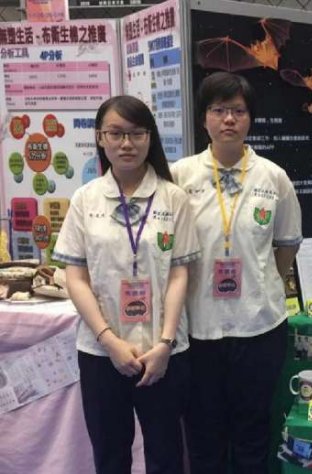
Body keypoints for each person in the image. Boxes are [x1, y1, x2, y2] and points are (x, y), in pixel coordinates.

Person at [53, 95, 200, 473]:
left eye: (136, 133)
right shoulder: (85, 199)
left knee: (166, 456)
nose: (126, 143)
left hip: (163, 353)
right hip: (101, 353)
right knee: (110, 455)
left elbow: (179, 274)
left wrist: (165, 343)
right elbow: (76, 277)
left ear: (150, 137)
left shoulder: (174, 198)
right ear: (100, 138)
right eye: (116, 134)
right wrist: (110, 341)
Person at [170, 72, 302, 473]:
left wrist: (263, 283)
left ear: (250, 119)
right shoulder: (180, 176)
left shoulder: (273, 177)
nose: (229, 119)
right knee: (203, 434)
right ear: (204, 118)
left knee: (252, 432)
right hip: (198, 327)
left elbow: (287, 244)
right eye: (218, 110)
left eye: (238, 111)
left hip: (258, 326)